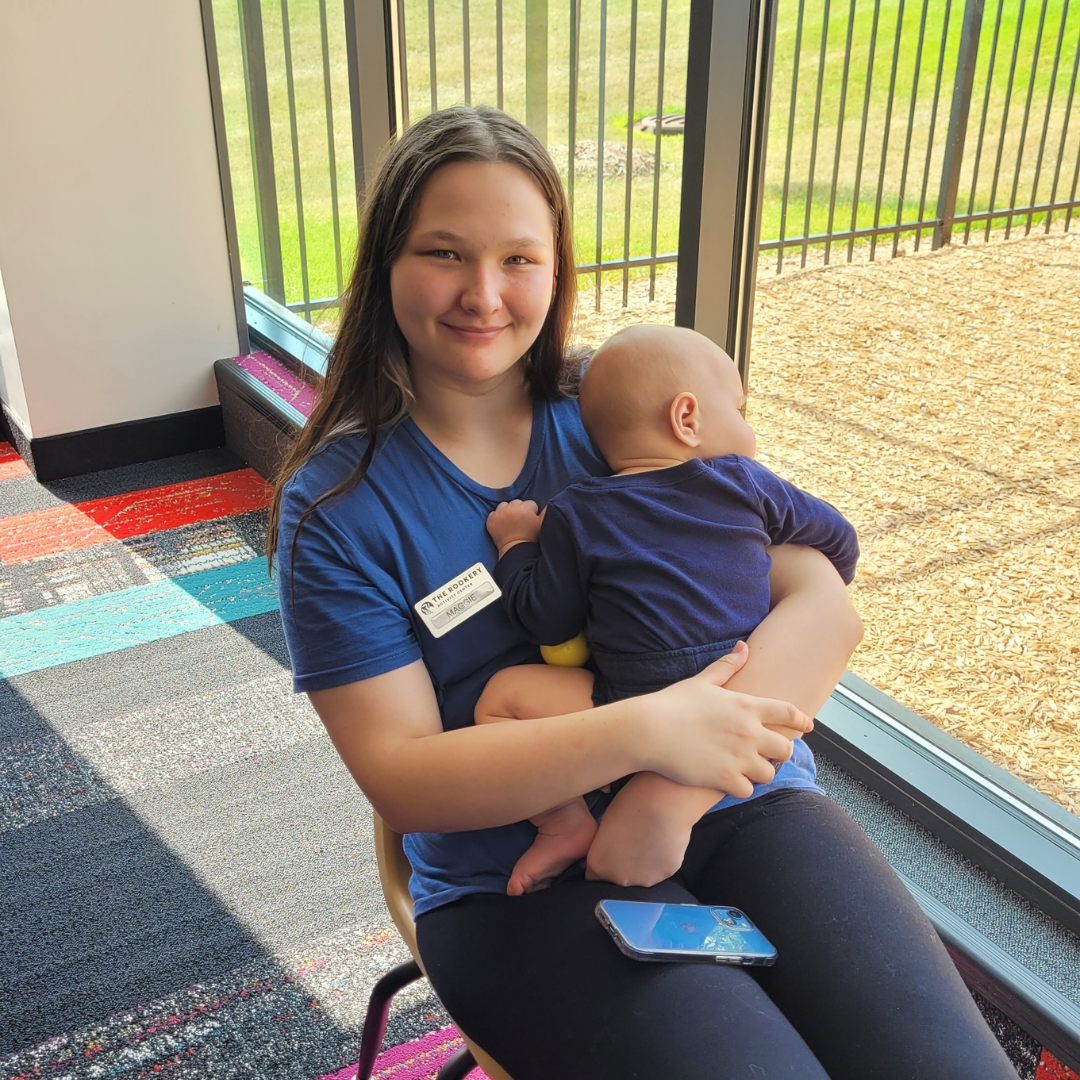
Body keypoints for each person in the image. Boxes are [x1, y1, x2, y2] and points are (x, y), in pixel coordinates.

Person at [271, 105, 1018, 1079]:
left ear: (557, 269)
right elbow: (403, 780)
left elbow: (822, 605)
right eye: (444, 252)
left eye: (519, 258)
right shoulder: (338, 509)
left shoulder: (615, 413)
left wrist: (667, 794)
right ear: (385, 264)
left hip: (738, 804)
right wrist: (649, 731)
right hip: (518, 882)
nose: (483, 293)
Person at [474, 323, 860, 897]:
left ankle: (565, 822)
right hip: (740, 684)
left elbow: (543, 620)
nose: (749, 431)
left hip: (630, 707)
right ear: (687, 418)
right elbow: (839, 540)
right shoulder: (745, 482)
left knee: (501, 699)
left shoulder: (575, 512)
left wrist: (515, 546)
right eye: (739, 410)